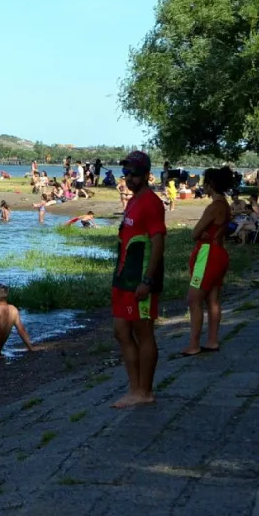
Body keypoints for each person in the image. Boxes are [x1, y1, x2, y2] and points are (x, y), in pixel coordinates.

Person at [111, 151, 165, 408]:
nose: (129, 179)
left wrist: (148, 279)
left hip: (139, 279)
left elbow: (158, 243)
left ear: (146, 175)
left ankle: (145, 391)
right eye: (126, 174)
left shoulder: (151, 203)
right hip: (123, 276)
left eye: (133, 174)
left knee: (143, 332)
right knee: (121, 331)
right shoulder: (133, 201)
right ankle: (134, 388)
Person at [182, 167, 233, 356]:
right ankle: (212, 340)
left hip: (207, 253)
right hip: (219, 252)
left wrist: (201, 233)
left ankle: (194, 344)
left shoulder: (213, 207)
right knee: (213, 299)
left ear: (210, 185)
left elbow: (195, 233)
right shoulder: (225, 205)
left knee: (194, 299)